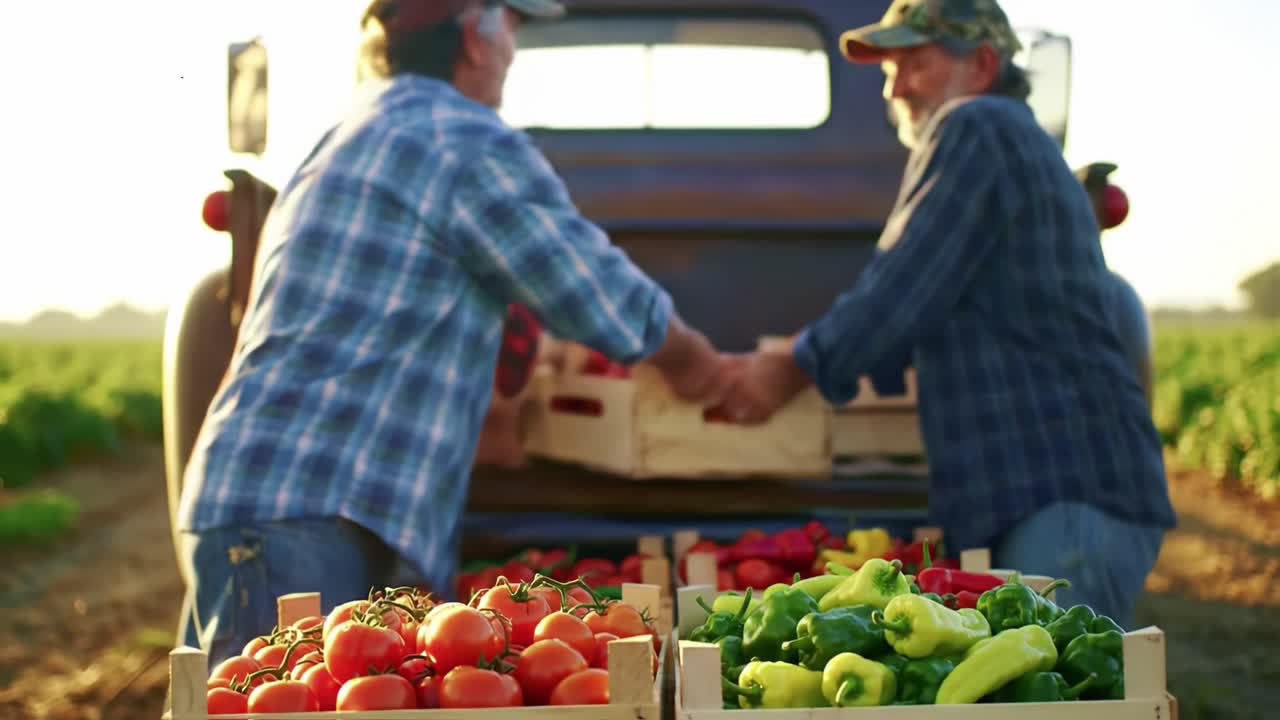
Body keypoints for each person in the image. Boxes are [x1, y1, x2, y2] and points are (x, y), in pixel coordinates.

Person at [175, 0, 735, 664]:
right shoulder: (456, 135)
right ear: (477, 37)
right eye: (515, 32)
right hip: (302, 516)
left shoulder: (363, 125)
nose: (513, 55)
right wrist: (697, 365)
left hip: (281, 505)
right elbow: (591, 289)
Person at [716, 0, 1175, 627]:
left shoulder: (976, 125)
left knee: (1053, 697)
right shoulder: (1012, 136)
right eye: (888, 69)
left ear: (983, 63)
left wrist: (786, 368)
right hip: (1064, 496)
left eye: (915, 63)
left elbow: (896, 295)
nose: (896, 86)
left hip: (1067, 499)